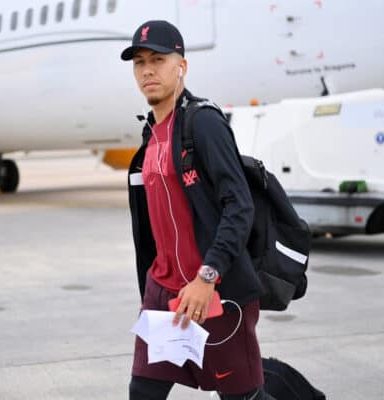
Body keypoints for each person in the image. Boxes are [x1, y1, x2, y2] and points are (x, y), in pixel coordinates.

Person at [123, 20, 273, 400]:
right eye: (139, 62)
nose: (148, 70)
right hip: (164, 293)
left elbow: (239, 205)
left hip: (214, 291)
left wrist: (207, 278)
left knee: (242, 397)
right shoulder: (151, 134)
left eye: (158, 59)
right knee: (143, 391)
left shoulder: (203, 122)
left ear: (182, 67)